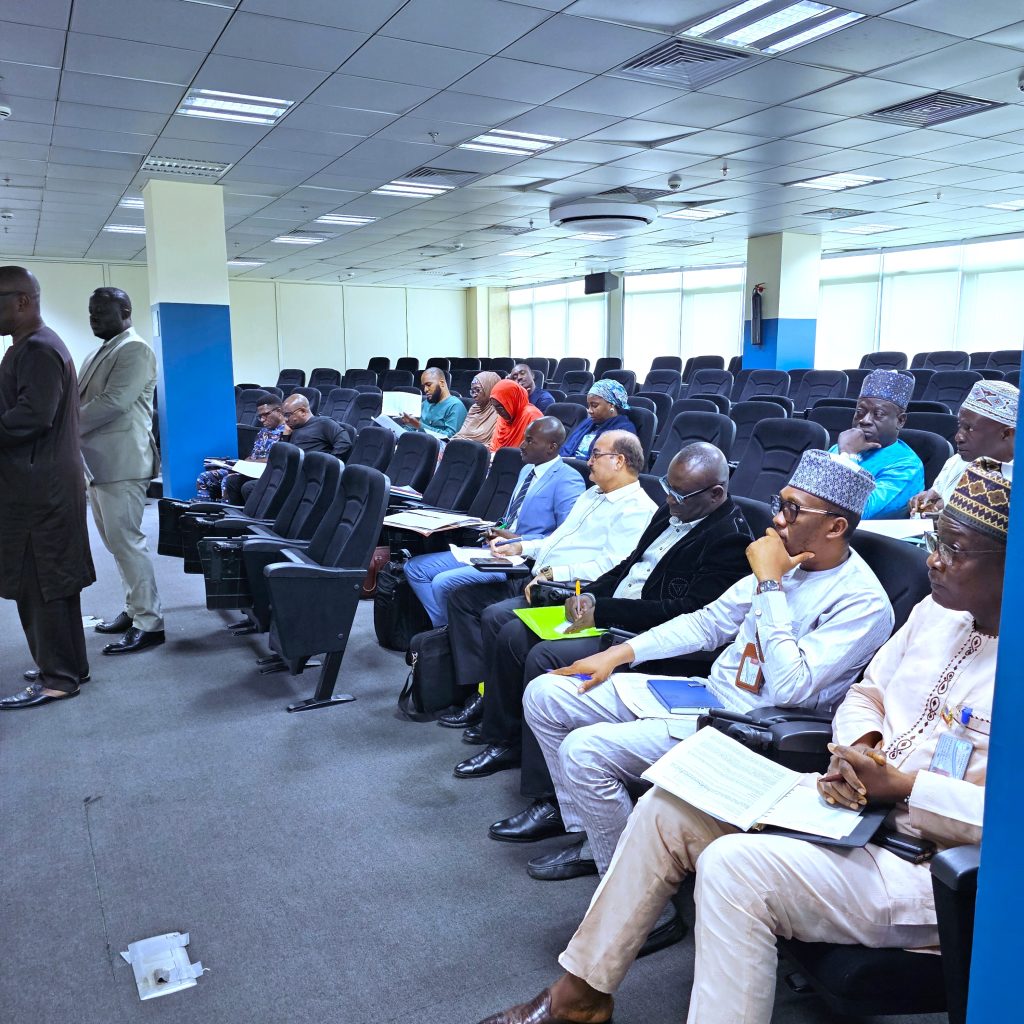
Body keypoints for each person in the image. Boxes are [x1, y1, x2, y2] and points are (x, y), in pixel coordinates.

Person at [475, 458, 1008, 1024]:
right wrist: (861, 749)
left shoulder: (866, 602)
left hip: (922, 861)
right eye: (936, 542)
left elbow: (1003, 819)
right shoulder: (935, 614)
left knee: (733, 865)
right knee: (665, 808)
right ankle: (580, 997)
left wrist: (902, 787)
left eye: (954, 549)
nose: (933, 560)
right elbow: (866, 695)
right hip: (847, 805)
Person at [522, 449, 892, 887]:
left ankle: (634, 887)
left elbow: (791, 688)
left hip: (749, 727)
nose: (777, 519)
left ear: (836, 527)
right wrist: (619, 655)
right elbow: (708, 622)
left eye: (793, 510)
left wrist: (770, 584)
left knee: (583, 751)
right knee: (545, 694)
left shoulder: (862, 602)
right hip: (706, 696)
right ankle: (597, 833)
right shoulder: (787, 558)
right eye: (780, 503)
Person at [485, 443, 753, 844]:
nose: (669, 499)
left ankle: (552, 801)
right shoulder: (673, 509)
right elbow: (628, 566)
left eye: (680, 494)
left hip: (646, 637)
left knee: (545, 657)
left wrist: (602, 611)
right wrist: (589, 595)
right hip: (611, 612)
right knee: (512, 631)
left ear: (716, 493)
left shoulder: (730, 540)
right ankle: (510, 741)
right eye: (668, 488)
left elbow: (683, 612)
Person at [446, 431, 658, 777]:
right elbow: (557, 540)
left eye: (596, 454)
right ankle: (493, 706)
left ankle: (504, 733)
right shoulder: (592, 494)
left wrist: (552, 573)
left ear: (619, 461)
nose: (588, 461)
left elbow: (610, 567)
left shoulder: (636, 510)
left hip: (572, 591)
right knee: (473, 604)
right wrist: (522, 547)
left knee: (500, 620)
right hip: (542, 577)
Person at [0, 266, 95, 709]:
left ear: (22, 301)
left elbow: (32, 416)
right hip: (46, 481)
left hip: (38, 487)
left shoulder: (37, 348)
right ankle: (71, 666)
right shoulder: (32, 345)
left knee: (39, 582)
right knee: (54, 580)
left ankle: (57, 678)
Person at [405, 417, 584, 627]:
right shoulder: (527, 470)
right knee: (415, 568)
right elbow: (513, 517)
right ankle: (447, 628)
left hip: (520, 560)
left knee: (442, 582)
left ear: (551, 447)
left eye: (530, 441)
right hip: (494, 548)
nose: (522, 445)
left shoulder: (568, 480)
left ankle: (450, 632)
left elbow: (564, 538)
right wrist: (497, 530)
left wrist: (515, 539)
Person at [76, 287, 164, 656]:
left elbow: (113, 403)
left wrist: (60, 426)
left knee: (128, 543)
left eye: (101, 310)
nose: (94, 317)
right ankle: (134, 609)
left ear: (125, 310)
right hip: (98, 464)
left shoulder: (135, 349)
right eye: (91, 311)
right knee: (117, 545)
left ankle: (150, 623)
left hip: (122, 463)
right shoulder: (100, 350)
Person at [909, 379, 1016, 513]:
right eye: (960, 426)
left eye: (969, 428)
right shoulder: (957, 461)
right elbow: (939, 500)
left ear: (1006, 434)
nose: (958, 437)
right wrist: (930, 503)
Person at [829, 368, 924, 518]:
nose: (864, 420)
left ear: (900, 421)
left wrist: (849, 456)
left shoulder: (907, 465)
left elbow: (857, 514)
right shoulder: (838, 448)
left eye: (878, 414)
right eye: (860, 412)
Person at [227, 392, 353, 505]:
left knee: (249, 488)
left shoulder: (323, 423)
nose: (285, 419)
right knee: (234, 482)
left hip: (305, 477)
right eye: (284, 415)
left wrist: (329, 465)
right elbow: (282, 454)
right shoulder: (291, 429)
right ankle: (236, 517)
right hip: (286, 472)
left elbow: (344, 442)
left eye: (288, 415)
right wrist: (285, 436)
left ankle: (257, 519)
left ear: (303, 411)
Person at [198, 393, 284, 500]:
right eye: (260, 416)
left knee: (228, 480)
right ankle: (204, 507)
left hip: (264, 473)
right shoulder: (263, 432)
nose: (262, 420)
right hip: (248, 469)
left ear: (279, 411)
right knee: (204, 477)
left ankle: (226, 510)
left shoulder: (286, 433)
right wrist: (243, 463)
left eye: (266, 414)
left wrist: (251, 462)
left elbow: (275, 460)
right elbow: (253, 456)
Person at [560, 379, 636, 459]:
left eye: (594, 405)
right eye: (589, 405)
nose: (589, 411)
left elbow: (607, 461)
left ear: (611, 405)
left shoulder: (624, 431)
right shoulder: (588, 423)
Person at [398, 367, 467, 439]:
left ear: (442, 383)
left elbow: (449, 437)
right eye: (424, 386)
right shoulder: (425, 404)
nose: (425, 389)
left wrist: (419, 425)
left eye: (428, 385)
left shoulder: (455, 406)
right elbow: (411, 427)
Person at [489, 379, 542, 453]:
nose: (497, 412)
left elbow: (536, 451)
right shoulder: (503, 416)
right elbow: (494, 447)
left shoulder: (532, 416)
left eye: (500, 407)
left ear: (512, 400)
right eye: (495, 407)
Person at [451, 371, 502, 445]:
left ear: (489, 389)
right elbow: (461, 434)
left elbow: (493, 444)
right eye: (472, 391)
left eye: (478, 390)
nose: (474, 395)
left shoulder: (499, 411)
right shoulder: (474, 408)